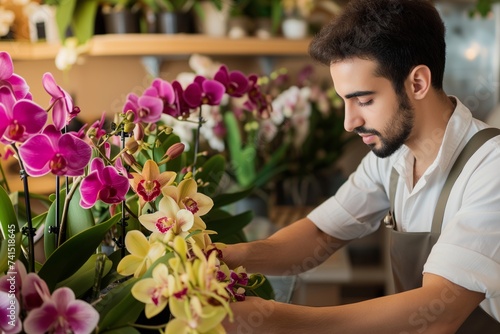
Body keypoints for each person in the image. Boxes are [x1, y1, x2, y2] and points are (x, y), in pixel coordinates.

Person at [221, 0, 500, 333]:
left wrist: (278, 319)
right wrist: (229, 256)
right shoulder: (393, 158)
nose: (349, 122)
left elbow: (441, 310)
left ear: (418, 83)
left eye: (364, 100)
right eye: (344, 100)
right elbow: (322, 234)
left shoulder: (490, 166)